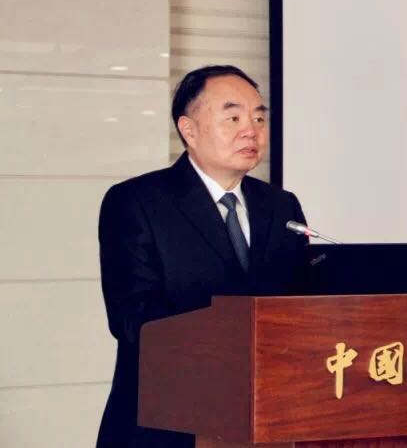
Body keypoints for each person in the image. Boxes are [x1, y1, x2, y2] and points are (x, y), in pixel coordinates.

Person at [97, 65, 309, 447]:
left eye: (259, 118)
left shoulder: (281, 206)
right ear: (189, 130)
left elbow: (302, 300)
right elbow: (133, 319)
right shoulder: (137, 202)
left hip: (268, 421)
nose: (251, 130)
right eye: (233, 118)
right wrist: (234, 338)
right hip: (166, 423)